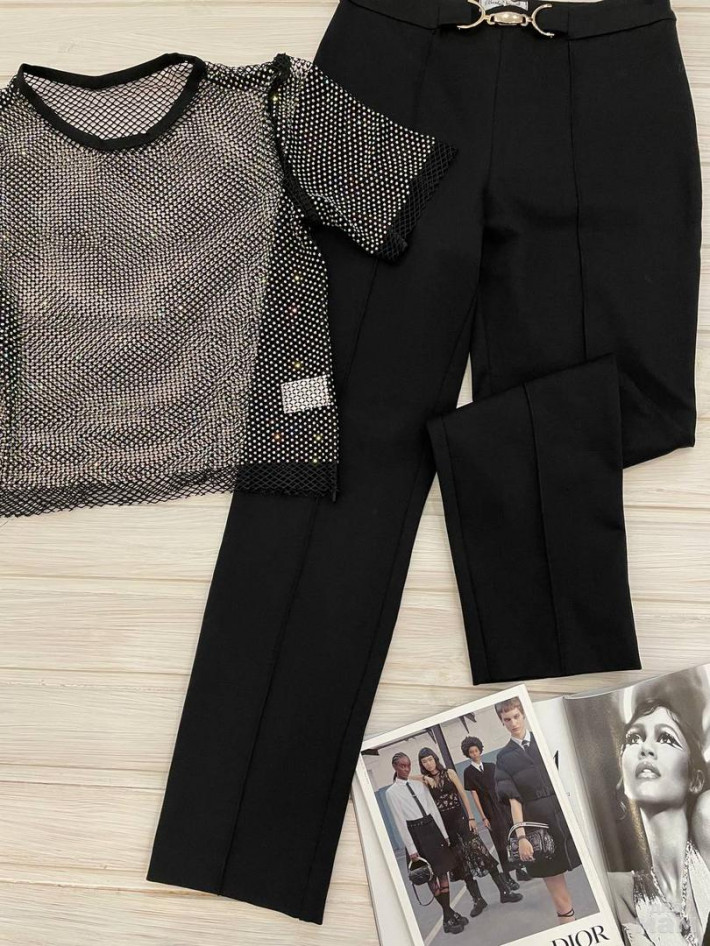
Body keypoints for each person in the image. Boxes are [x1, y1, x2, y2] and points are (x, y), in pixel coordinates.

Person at [608, 697, 710, 945]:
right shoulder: (618, 890)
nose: (645, 748)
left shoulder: (707, 819)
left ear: (695, 780)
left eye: (665, 738)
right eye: (633, 739)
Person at [495, 697, 580, 925]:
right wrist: (522, 837)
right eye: (507, 719)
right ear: (502, 722)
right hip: (539, 830)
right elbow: (513, 801)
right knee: (562, 902)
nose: (513, 723)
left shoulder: (546, 741)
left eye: (516, 716)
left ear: (523, 714)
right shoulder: (503, 759)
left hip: (569, 820)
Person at [415, 747, 523, 917]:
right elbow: (404, 778)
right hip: (446, 827)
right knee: (461, 864)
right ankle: (478, 900)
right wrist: (423, 777)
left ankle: (504, 891)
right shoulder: (425, 782)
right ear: (421, 764)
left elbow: (463, 795)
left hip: (462, 821)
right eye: (424, 761)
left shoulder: (449, 773)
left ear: (435, 759)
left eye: (430, 759)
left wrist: (471, 817)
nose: (428, 764)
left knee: (483, 855)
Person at [385, 752, 467, 935]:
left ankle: (448, 916)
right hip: (416, 834)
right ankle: (449, 915)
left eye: (408, 765)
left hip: (432, 828)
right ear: (395, 767)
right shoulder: (391, 793)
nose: (406, 769)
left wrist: (444, 834)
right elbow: (399, 822)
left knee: (442, 872)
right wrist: (411, 849)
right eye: (402, 766)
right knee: (430, 876)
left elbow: (433, 809)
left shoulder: (419, 785)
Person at [461, 735, 529, 890]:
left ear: (480, 750)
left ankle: (519, 870)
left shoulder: (491, 766)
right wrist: (484, 817)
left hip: (502, 806)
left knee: (512, 838)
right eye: (471, 752)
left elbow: (501, 786)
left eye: (476, 750)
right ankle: (507, 876)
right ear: (467, 754)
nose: (474, 754)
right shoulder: (468, 772)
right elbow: (474, 795)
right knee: (500, 844)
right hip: (489, 810)